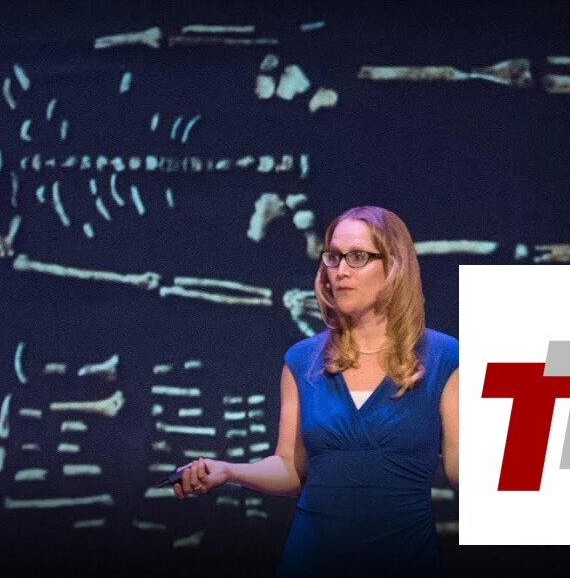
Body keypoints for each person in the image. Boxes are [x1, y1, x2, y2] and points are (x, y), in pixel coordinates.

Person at [172, 205, 459, 577]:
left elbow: (462, 470)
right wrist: (229, 471)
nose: (340, 271)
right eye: (333, 257)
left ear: (394, 266)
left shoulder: (444, 358)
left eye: (358, 257)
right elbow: (291, 468)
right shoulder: (303, 360)